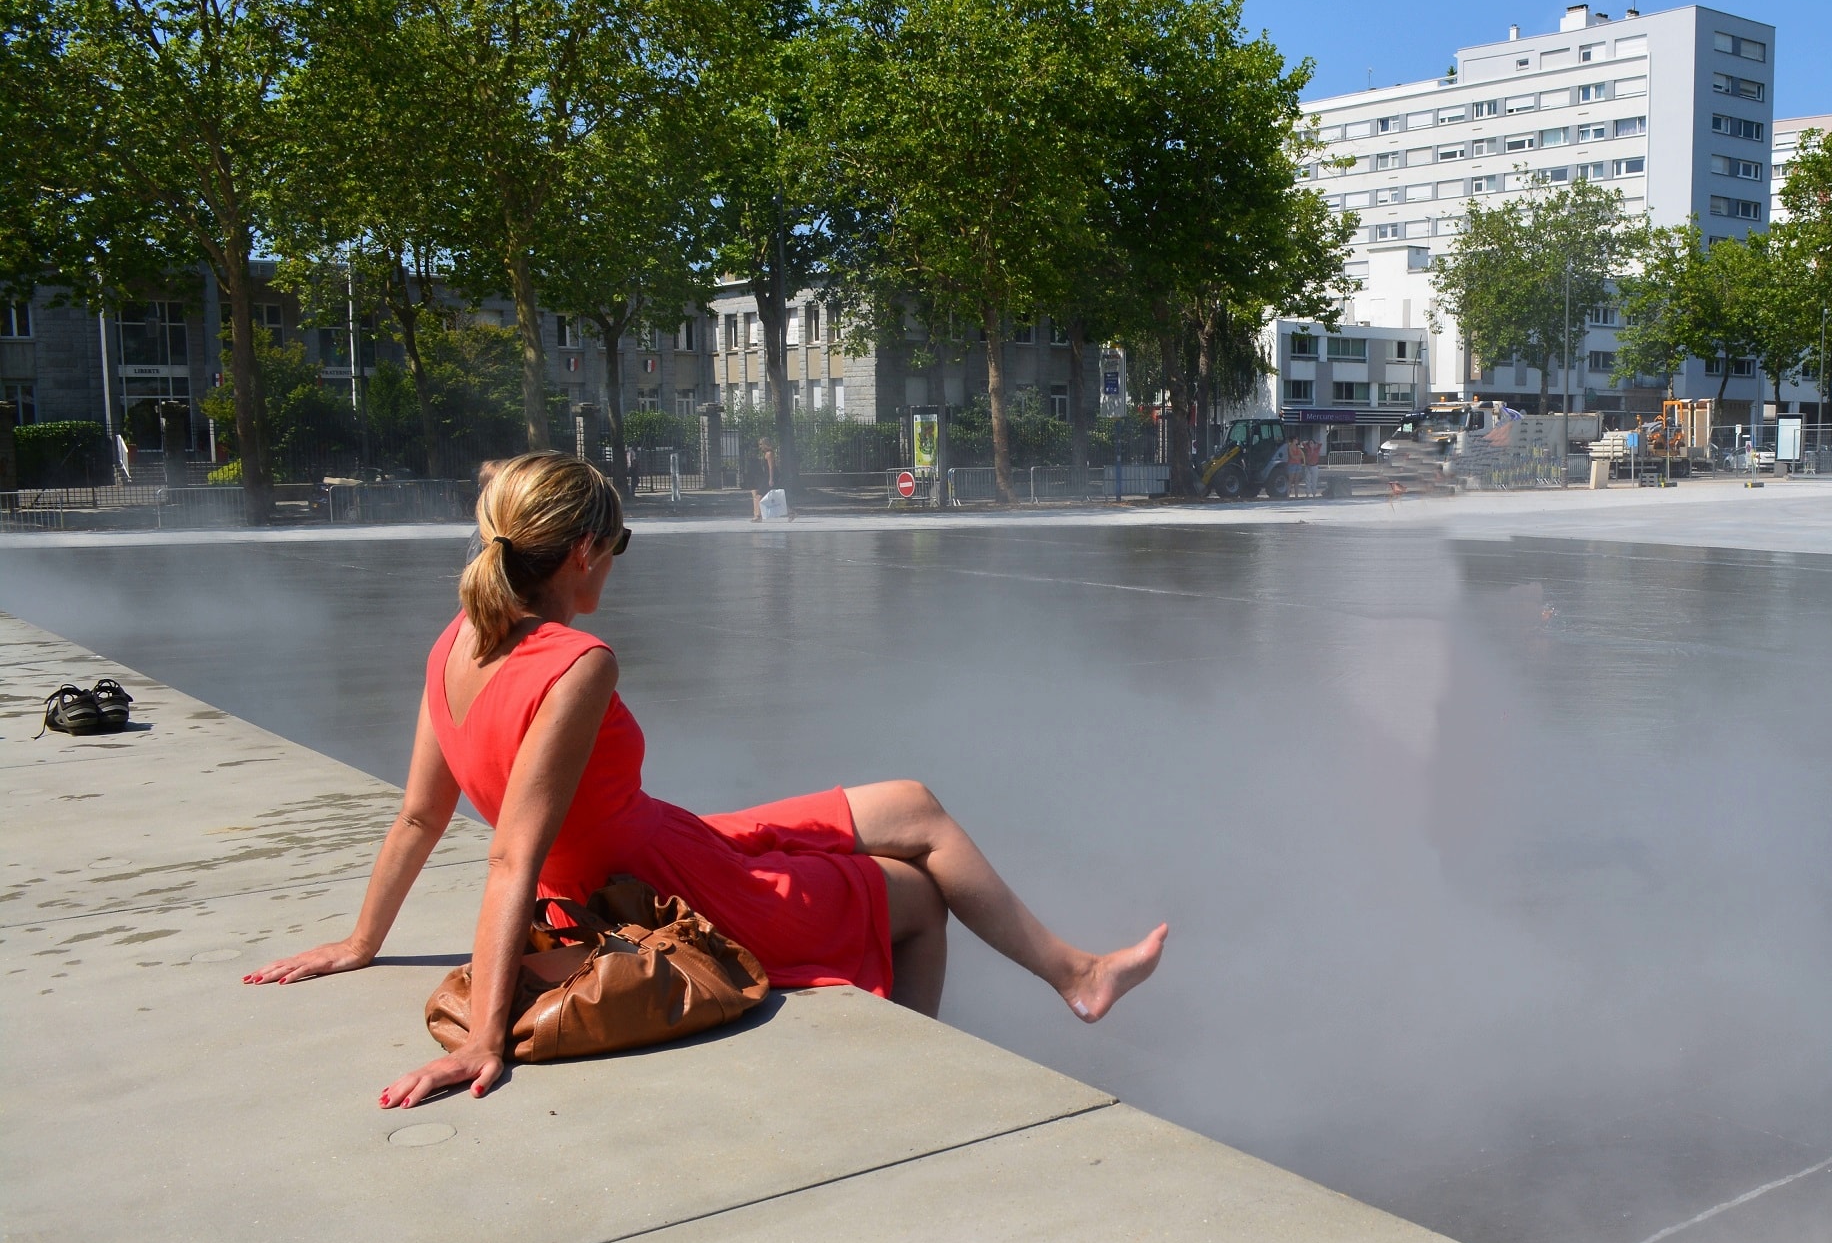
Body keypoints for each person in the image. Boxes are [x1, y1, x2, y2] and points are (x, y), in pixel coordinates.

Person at [244, 453, 1165, 1108]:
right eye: (619, 544)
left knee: (910, 802)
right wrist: (486, 1036)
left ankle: (1074, 972)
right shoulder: (578, 660)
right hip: (655, 882)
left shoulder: (454, 642)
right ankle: (912, 1088)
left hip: (659, 837)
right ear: (582, 554)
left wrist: (363, 943)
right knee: (916, 897)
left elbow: (418, 816)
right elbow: (512, 860)